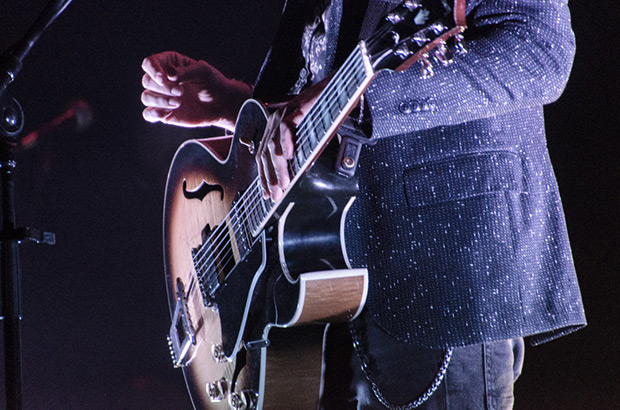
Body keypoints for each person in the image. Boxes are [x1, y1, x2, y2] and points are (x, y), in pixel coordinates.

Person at [141, 0, 586, 408]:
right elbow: (314, 100)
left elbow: (541, 50)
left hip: (445, 257)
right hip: (329, 275)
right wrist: (235, 104)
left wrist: (365, 105)